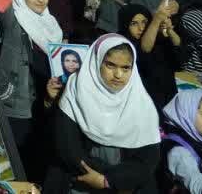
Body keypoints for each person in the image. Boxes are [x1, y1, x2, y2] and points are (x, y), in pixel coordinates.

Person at [45, 34, 160, 194]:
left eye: (125, 68)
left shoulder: (141, 102)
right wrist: (101, 178)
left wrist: (108, 180)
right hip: (78, 180)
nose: (118, 75)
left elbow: (148, 159)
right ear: (96, 62)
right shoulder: (76, 89)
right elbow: (68, 149)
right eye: (110, 65)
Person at [0, 0, 63, 176]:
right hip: (14, 105)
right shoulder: (14, 19)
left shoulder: (53, 27)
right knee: (11, 168)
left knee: (35, 167)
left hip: (43, 106)